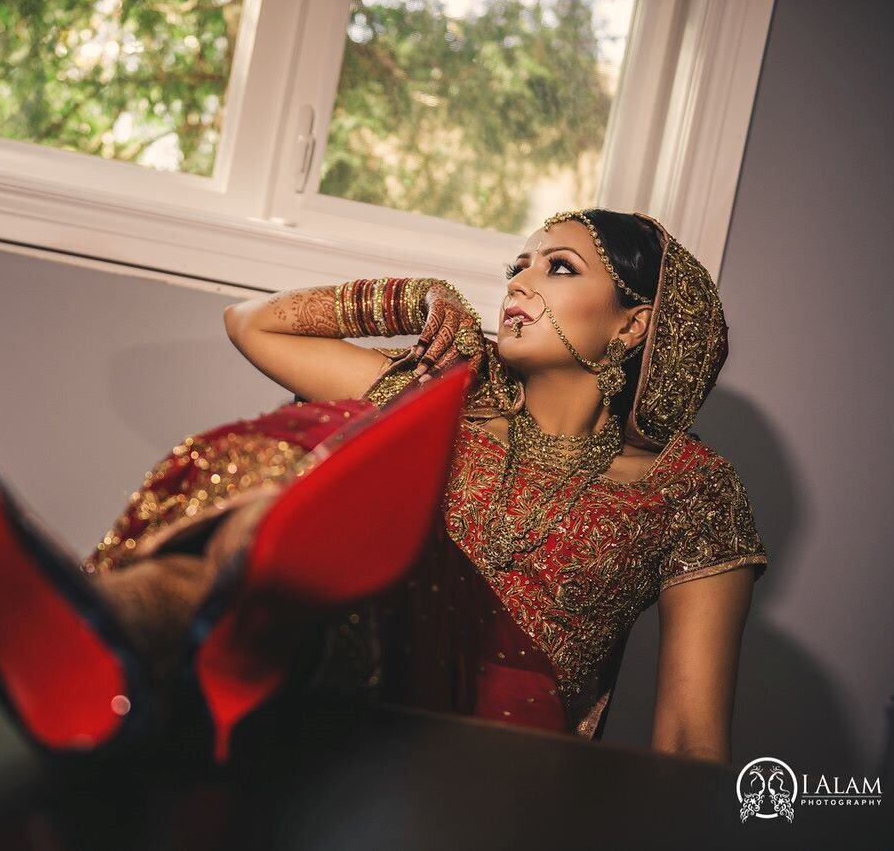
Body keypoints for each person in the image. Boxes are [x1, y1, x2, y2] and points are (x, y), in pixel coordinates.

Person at [210, 208, 769, 764]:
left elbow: (690, 742)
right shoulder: (445, 399)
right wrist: (421, 296)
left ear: (631, 324)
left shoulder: (687, 487)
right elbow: (251, 323)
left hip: (506, 785)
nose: (517, 284)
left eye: (561, 268)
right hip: (356, 733)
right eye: (517, 267)